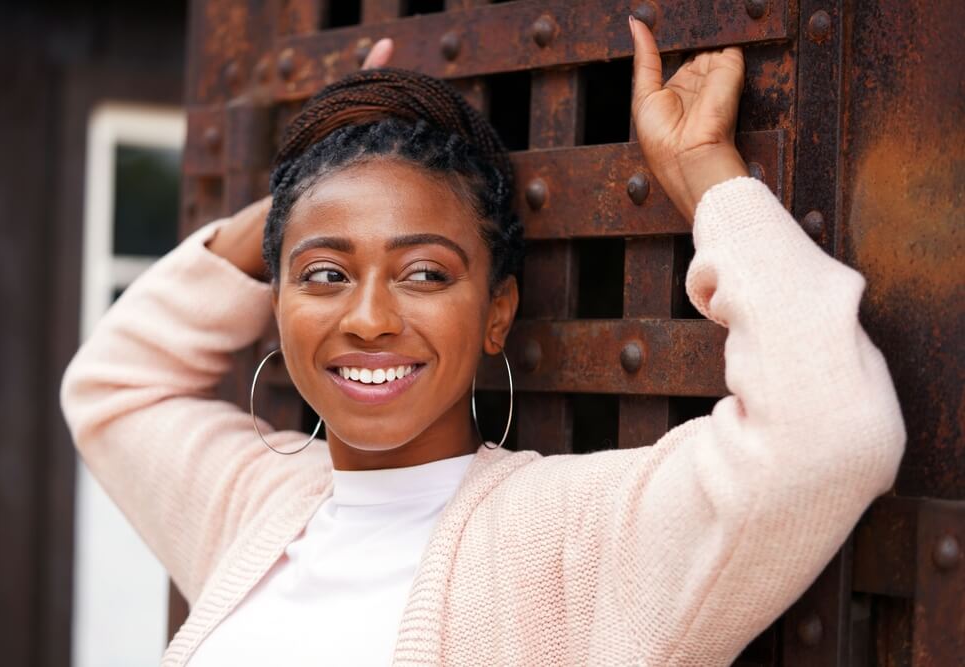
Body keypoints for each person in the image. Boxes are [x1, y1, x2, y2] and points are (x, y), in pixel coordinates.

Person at [60, 17, 905, 666]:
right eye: (323, 275)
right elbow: (111, 383)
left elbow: (829, 427)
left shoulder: (571, 537)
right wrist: (300, 185)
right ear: (274, 299)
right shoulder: (253, 507)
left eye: (424, 273)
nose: (369, 317)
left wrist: (707, 178)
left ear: (498, 311)